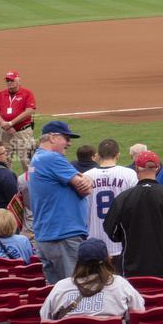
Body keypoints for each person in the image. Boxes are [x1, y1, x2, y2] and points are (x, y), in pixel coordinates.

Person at [104, 151, 163, 279]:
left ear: (136, 168)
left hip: (131, 266)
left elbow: (112, 232)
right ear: (158, 168)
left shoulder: (123, 198)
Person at [30, 121, 92, 284]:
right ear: (52, 137)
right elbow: (85, 189)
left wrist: (85, 178)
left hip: (46, 236)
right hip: (63, 235)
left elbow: (81, 180)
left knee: (57, 292)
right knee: (76, 290)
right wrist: (87, 179)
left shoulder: (37, 158)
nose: (69, 143)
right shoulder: (52, 158)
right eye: (66, 138)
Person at [39, 239, 144, 323]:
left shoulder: (61, 287)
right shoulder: (120, 285)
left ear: (79, 261)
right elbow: (139, 314)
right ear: (107, 259)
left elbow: (44, 320)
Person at [83, 139, 138, 270]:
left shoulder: (85, 177)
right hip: (121, 241)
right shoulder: (129, 174)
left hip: (93, 242)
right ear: (117, 155)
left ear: (98, 156)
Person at [0, 71, 37, 174]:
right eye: (7, 80)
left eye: (12, 80)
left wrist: (11, 123)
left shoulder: (27, 93)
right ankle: (7, 184)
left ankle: (30, 186)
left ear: (18, 80)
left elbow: (30, 111)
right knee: (4, 160)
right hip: (5, 132)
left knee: (27, 161)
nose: (9, 82)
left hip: (23, 132)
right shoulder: (0, 95)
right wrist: (4, 124)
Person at [0, 143, 15, 209]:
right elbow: (13, 200)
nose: (6, 155)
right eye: (3, 153)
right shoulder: (6, 175)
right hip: (2, 215)